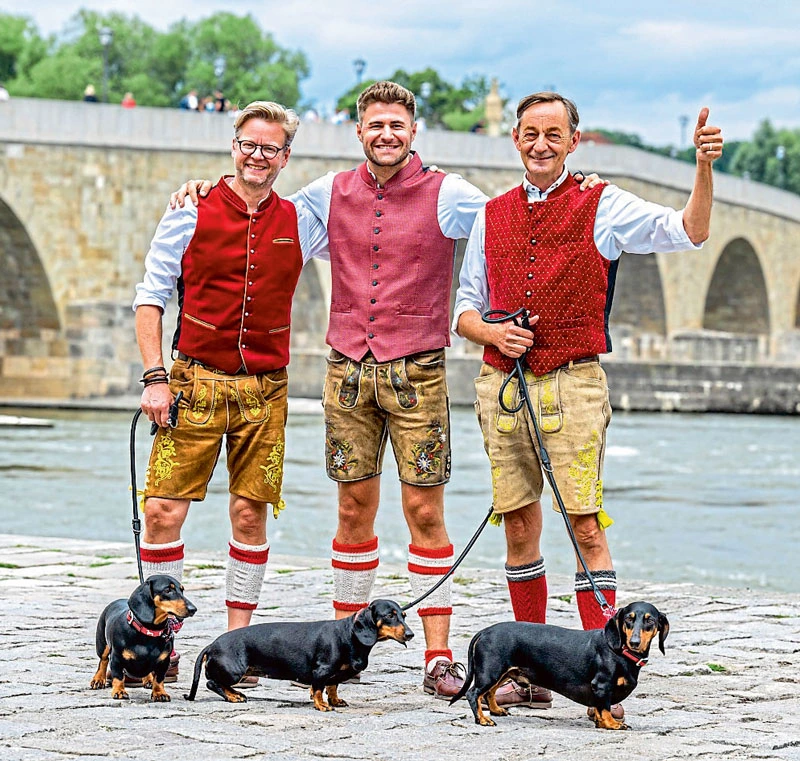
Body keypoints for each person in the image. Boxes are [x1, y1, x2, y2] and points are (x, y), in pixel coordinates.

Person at [171, 81, 600, 704]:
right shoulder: (328, 193)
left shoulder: (449, 194)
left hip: (417, 373)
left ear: (413, 131)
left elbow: (516, 217)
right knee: (352, 509)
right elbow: (259, 206)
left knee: (425, 511)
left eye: (397, 124)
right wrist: (204, 189)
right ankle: (346, 648)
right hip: (346, 371)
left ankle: (437, 655)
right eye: (376, 125)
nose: (387, 134)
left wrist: (570, 184)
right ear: (359, 131)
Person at [454, 91, 723, 718]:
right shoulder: (490, 215)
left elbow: (690, 230)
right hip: (502, 386)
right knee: (518, 524)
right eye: (530, 133)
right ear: (515, 139)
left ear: (574, 141)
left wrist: (703, 167)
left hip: (573, 383)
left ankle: (602, 670)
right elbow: (465, 308)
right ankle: (530, 674)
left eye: (554, 134)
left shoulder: (604, 204)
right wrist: (491, 332)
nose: (541, 144)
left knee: (584, 527)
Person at [132, 101, 328, 681]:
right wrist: (155, 377)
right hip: (192, 381)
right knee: (162, 510)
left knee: (248, 513)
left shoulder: (302, 219)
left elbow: (373, 206)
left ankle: (238, 645)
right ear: (233, 146)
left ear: (285, 157)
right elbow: (151, 297)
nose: (257, 155)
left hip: (265, 391)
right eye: (248, 144)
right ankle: (163, 642)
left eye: (270, 148)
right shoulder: (189, 210)